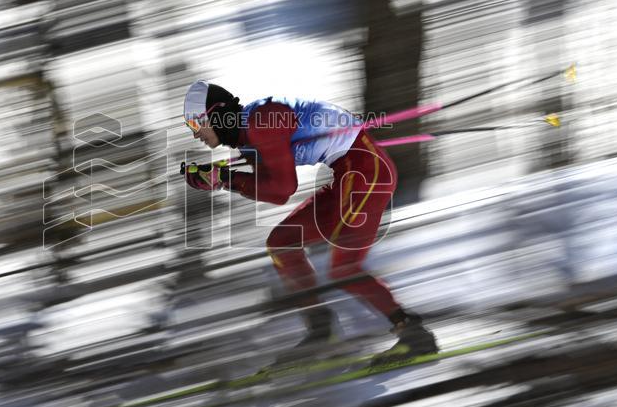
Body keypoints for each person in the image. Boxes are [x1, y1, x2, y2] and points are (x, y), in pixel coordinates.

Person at [182, 80, 438, 362]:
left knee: (344, 269)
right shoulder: (248, 135)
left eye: (195, 123)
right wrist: (221, 177)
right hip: (348, 175)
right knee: (282, 243)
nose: (195, 134)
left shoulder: (260, 123)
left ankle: (413, 334)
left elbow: (281, 190)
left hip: (366, 173)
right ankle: (321, 330)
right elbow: (266, 184)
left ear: (216, 115)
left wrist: (225, 178)